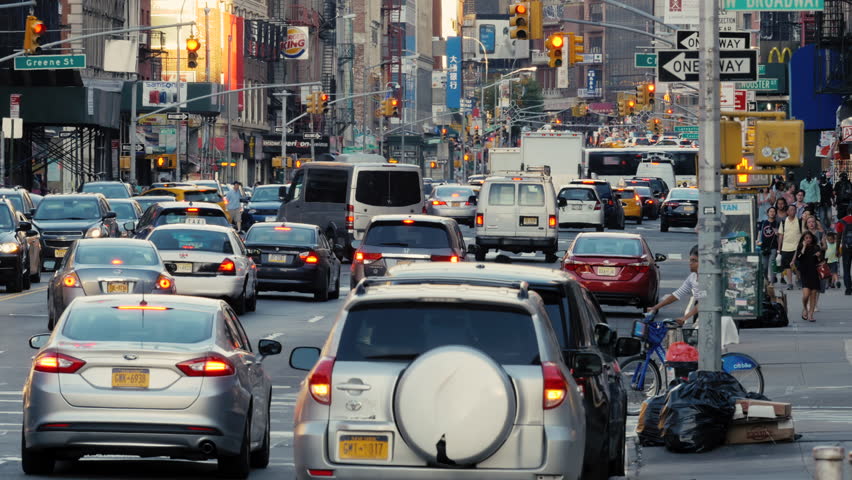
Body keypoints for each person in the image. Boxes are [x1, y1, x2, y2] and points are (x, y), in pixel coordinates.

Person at [646, 245, 703, 326]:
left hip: (708, 312)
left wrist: (685, 318)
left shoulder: (708, 280)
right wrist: (655, 307)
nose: (690, 263)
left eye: (694, 260)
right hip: (699, 311)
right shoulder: (692, 277)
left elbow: (704, 302)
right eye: (690, 260)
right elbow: (677, 294)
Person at [793, 231, 824, 322]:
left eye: (809, 238)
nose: (808, 240)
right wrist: (804, 247)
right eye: (806, 238)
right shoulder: (800, 247)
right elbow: (799, 258)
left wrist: (819, 256)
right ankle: (805, 308)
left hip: (814, 272)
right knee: (806, 295)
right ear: (803, 239)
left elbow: (821, 261)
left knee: (813, 295)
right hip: (805, 273)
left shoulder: (816, 247)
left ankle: (811, 314)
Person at [778, 204, 803, 291]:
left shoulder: (800, 221)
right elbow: (781, 235)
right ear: (787, 212)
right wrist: (779, 248)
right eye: (790, 210)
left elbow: (803, 234)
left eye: (794, 210)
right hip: (785, 247)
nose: (792, 211)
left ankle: (798, 279)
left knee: (798, 266)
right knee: (787, 266)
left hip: (797, 248)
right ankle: (789, 283)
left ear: (796, 211)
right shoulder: (784, 222)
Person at [757, 206, 779, 284]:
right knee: (764, 266)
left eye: (774, 211)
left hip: (773, 247)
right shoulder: (763, 222)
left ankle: (772, 283)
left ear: (776, 213)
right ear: (767, 213)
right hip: (764, 247)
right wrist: (758, 241)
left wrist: (777, 234)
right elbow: (759, 233)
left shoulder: (777, 223)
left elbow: (781, 236)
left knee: (772, 265)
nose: (772, 213)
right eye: (770, 211)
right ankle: (766, 280)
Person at [835, 210, 852, 295]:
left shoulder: (842, 221)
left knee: (846, 268)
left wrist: (837, 249)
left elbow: (838, 237)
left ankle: (848, 289)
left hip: (846, 248)